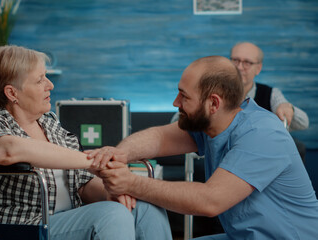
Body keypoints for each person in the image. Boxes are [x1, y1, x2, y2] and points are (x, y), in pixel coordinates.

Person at [88, 56, 318, 239]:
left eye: (184, 96)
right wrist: (118, 155)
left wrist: (131, 183)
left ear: (214, 103)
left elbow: (210, 201)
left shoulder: (262, 134)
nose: (175, 103)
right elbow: (160, 137)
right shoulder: (212, 124)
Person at [0, 45, 172, 240]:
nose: (50, 85)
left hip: (66, 219)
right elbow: (6, 151)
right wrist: (92, 161)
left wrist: (113, 192)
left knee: (146, 206)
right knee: (112, 215)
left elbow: (82, 184)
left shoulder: (50, 123)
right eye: (40, 80)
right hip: (21, 225)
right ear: (12, 93)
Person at [230, 42, 309, 159]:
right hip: (228, 150)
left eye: (247, 62)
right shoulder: (215, 92)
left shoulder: (271, 93)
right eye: (235, 60)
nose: (240, 67)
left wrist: (287, 108)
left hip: (260, 153)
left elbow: (304, 123)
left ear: (258, 68)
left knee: (297, 146)